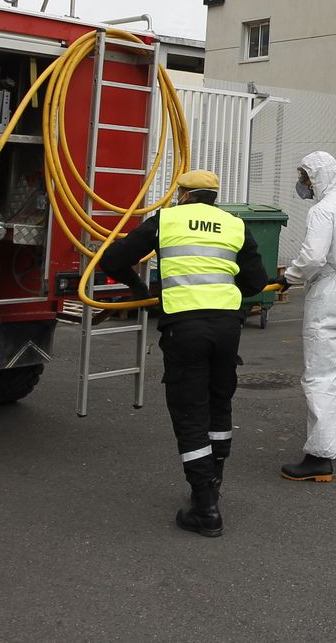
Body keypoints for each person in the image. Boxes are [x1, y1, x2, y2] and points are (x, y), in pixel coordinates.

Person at [98, 168, 269, 537]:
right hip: (226, 328)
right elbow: (255, 281)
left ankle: (205, 507)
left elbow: (111, 260)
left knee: (191, 412)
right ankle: (215, 482)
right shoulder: (234, 225)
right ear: (213, 198)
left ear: (185, 196)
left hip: (184, 328)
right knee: (219, 403)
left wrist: (143, 293)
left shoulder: (166, 220)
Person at [277, 151, 336, 482]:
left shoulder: (322, 211)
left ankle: (319, 455)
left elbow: (313, 256)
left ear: (319, 177)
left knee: (321, 371)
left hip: (330, 287)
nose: (303, 184)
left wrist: (288, 277)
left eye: (306, 177)